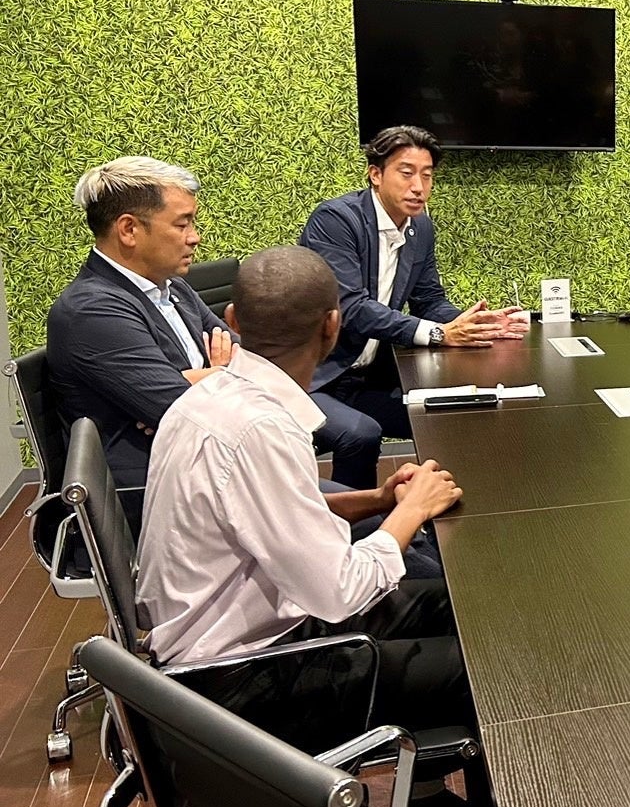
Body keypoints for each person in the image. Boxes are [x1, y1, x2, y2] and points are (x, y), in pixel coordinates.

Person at [135, 245, 474, 735]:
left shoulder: (205, 397)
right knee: (481, 670)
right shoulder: (264, 428)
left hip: (241, 632)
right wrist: (412, 511)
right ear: (333, 326)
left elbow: (281, 516)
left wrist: (378, 501)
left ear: (232, 320)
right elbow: (340, 592)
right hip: (237, 678)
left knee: (460, 606)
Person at [300, 125, 528, 488]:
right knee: (361, 434)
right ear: (375, 175)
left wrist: (475, 324)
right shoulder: (336, 220)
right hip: (315, 377)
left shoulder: (419, 228)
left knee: (454, 409)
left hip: (368, 375)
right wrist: (439, 334)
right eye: (406, 173)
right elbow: (352, 308)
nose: (419, 186)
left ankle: (463, 506)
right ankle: (352, 519)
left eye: (427, 175)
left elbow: (429, 299)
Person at [47, 157, 236, 499]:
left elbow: (249, 359)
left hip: (204, 466)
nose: (195, 237)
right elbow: (184, 412)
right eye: (182, 224)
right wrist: (219, 374)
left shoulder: (173, 286)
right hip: (157, 493)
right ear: (129, 230)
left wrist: (205, 379)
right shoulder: (92, 312)